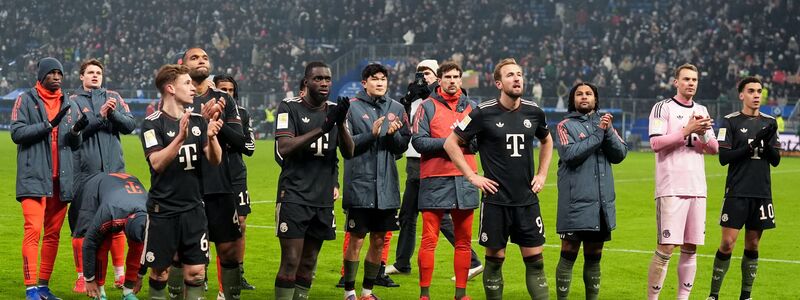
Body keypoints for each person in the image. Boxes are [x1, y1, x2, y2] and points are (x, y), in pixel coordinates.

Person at [444, 58, 554, 300]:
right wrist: (472, 176)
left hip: (527, 200)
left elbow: (547, 140)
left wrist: (542, 173)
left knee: (536, 263)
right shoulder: (482, 112)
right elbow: (450, 142)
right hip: (496, 201)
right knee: (494, 263)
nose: (516, 79)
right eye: (510, 75)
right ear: (498, 82)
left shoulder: (534, 111)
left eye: (519, 74)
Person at [387, 59, 484, 281]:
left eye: (427, 73)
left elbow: (474, 139)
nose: (423, 77)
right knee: (408, 214)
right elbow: (413, 132)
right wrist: (410, 98)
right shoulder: (418, 99)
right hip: (416, 162)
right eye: (419, 73)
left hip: (441, 167)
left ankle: (473, 260)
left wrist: (449, 143)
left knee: (439, 216)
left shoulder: (447, 100)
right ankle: (402, 262)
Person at [139, 64, 223, 300]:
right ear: (170, 88)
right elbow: (157, 163)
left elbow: (215, 161)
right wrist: (179, 138)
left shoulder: (198, 121)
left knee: (196, 273)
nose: (193, 88)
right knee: (160, 273)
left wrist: (212, 137)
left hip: (194, 209)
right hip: (163, 210)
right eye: (187, 83)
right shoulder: (152, 123)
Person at [273, 61, 354, 299]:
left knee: (309, 262)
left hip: (322, 198)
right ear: (306, 82)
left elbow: (349, 152)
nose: (324, 83)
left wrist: (339, 123)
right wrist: (322, 128)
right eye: (318, 79)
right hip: (294, 195)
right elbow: (285, 147)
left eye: (327, 79)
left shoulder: (333, 110)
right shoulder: (289, 107)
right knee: (290, 260)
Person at [12, 57, 84, 300]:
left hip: (60, 180)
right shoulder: (26, 99)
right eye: (52, 73)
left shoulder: (70, 103)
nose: (57, 77)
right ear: (41, 76)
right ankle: (31, 288)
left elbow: (76, 143)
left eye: (60, 73)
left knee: (53, 235)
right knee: (33, 230)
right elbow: (17, 133)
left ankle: (43, 287)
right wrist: (48, 124)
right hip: (34, 176)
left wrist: (76, 132)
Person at [646, 63, 719, 300]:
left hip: (697, 188)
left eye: (694, 80)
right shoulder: (662, 108)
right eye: (686, 79)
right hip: (671, 188)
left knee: (691, 247)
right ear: (675, 82)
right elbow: (656, 144)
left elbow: (714, 149)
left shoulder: (702, 109)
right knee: (666, 247)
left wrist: (704, 132)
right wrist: (687, 129)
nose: (691, 83)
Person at [180, 47, 248, 300]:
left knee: (229, 251)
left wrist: (215, 127)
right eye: (195, 58)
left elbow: (240, 142)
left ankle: (228, 295)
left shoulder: (225, 99)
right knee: (186, 254)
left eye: (205, 58)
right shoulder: (178, 97)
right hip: (186, 186)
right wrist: (200, 122)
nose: (201, 61)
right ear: (183, 64)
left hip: (219, 184)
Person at [707, 77, 781, 300]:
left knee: (753, 243)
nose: (756, 95)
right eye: (751, 91)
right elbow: (724, 158)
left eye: (759, 91)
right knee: (728, 243)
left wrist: (766, 144)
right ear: (741, 95)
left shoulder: (770, 122)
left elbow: (776, 160)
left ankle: (745, 295)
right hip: (737, 191)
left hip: (761, 193)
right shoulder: (730, 122)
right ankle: (714, 295)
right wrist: (750, 147)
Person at [341, 63, 410, 300]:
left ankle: (367, 292)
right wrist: (371, 134)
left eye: (383, 79)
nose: (380, 83)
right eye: (375, 79)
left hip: (387, 188)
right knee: (357, 239)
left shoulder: (397, 108)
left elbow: (402, 147)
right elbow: (346, 146)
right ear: (364, 83)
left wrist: (393, 136)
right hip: (359, 186)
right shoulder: (350, 108)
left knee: (379, 240)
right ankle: (349, 291)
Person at [412, 61, 479, 300]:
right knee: (429, 240)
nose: (452, 81)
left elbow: (478, 143)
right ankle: (424, 295)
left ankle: (460, 295)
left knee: (463, 241)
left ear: (461, 80)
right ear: (439, 80)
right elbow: (418, 142)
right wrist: (451, 143)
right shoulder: (426, 107)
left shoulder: (472, 107)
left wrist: (457, 142)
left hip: (465, 179)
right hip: (434, 178)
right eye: (447, 77)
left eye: (456, 77)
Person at [68, 58, 137, 293]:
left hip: (114, 172)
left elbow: (130, 125)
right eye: (90, 72)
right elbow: (73, 134)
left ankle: (119, 275)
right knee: (83, 224)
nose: (95, 75)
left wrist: (113, 114)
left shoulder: (114, 97)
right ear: (81, 76)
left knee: (116, 223)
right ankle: (81, 276)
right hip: (86, 174)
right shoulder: (74, 101)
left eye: (98, 72)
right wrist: (101, 117)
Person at [553, 82, 627, 300]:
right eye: (579, 94)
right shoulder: (565, 126)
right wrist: (599, 134)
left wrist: (609, 130)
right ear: (573, 100)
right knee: (568, 253)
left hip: (601, 205)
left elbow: (620, 154)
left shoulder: (605, 124)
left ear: (595, 99)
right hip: (574, 204)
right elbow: (570, 155)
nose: (584, 97)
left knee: (594, 256)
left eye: (589, 94)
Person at [212, 74, 257, 292]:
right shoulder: (203, 112)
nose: (227, 94)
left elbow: (249, 148)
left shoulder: (244, 114)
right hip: (212, 173)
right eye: (223, 90)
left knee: (241, 223)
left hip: (236, 174)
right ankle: (199, 273)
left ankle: (238, 273)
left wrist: (222, 128)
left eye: (231, 90)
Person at [72, 172, 148, 300]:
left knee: (139, 247)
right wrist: (89, 279)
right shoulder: (110, 211)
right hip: (95, 188)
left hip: (122, 192)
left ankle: (128, 292)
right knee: (102, 243)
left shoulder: (154, 214)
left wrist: (139, 276)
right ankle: (100, 292)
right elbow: (89, 243)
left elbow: (147, 249)